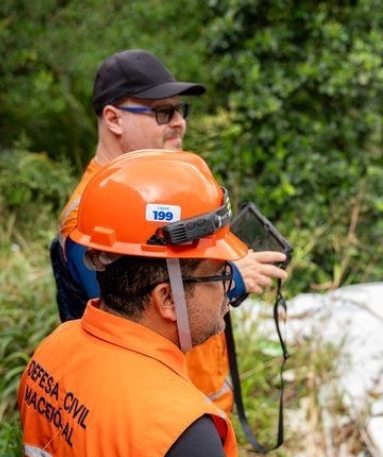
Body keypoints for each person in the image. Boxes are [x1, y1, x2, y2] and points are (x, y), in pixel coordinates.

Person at [20, 149, 258, 457]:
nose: (228, 288)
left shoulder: (51, 353)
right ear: (167, 298)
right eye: (220, 273)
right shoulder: (181, 433)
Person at [51, 49, 287, 412]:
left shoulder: (152, 192)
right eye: (163, 112)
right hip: (160, 414)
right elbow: (131, 321)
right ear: (114, 119)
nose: (179, 123)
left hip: (199, 401)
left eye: (180, 110)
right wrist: (231, 279)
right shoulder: (90, 216)